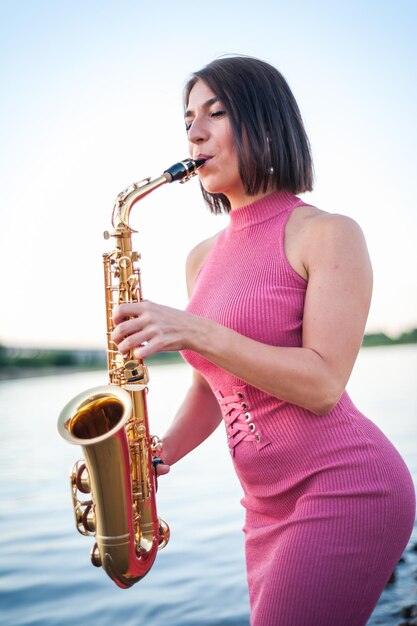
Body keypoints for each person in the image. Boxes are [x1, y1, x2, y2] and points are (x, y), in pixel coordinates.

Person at [111, 56, 416, 626]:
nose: (195, 132)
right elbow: (213, 387)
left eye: (215, 113)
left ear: (266, 123)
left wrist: (197, 329)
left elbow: (324, 384)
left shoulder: (328, 233)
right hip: (263, 508)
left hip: (348, 486)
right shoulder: (200, 259)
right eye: (187, 121)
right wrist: (154, 456)